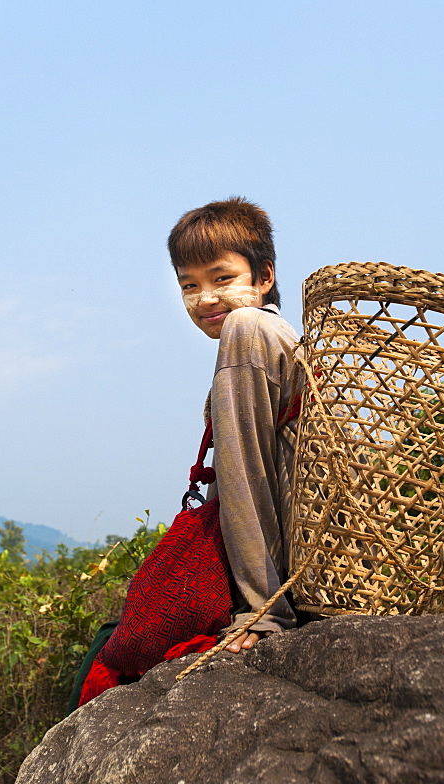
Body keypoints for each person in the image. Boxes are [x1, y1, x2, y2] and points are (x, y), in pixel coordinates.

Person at [167, 197, 302, 653]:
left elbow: (245, 472)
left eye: (222, 278)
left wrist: (262, 612)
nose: (205, 298)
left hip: (283, 580)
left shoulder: (248, 328)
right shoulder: (278, 336)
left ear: (264, 276)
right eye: (189, 285)